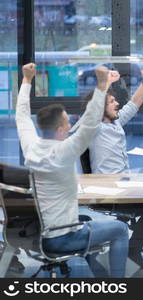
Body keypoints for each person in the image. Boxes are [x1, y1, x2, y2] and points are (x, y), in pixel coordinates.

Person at [16, 63, 129, 277]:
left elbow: (22, 117)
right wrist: (102, 85)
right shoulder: (64, 151)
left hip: (45, 232)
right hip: (63, 237)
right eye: (67, 122)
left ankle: (101, 276)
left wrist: (27, 80)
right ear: (60, 129)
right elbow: (90, 124)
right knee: (120, 229)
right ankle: (119, 285)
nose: (70, 126)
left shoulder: (31, 147)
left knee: (88, 219)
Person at [82, 68, 143, 266]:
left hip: (124, 182)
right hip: (109, 188)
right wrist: (106, 83)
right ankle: (139, 249)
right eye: (111, 102)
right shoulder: (94, 128)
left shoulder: (116, 122)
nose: (117, 103)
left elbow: (135, 103)